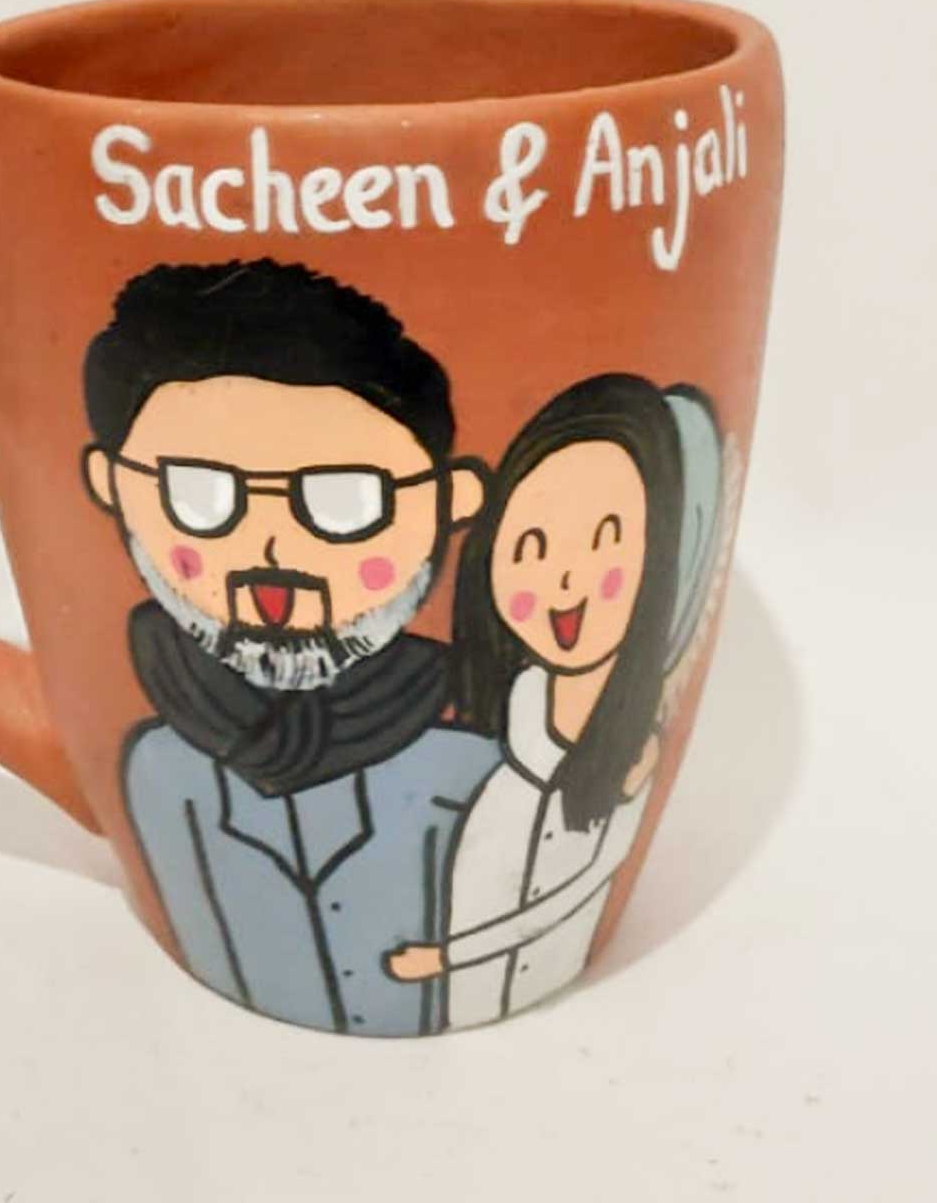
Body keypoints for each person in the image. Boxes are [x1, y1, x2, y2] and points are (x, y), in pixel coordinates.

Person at [80, 258, 499, 1036]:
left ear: (452, 502)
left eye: (345, 501)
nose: (270, 550)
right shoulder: (158, 770)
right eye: (200, 494)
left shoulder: (475, 773)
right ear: (112, 485)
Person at [384, 376, 728, 1028]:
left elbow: (585, 883)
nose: (564, 580)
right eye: (531, 547)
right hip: (476, 891)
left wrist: (448, 956)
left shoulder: (632, 748)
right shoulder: (524, 697)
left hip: (531, 950)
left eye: (605, 541)